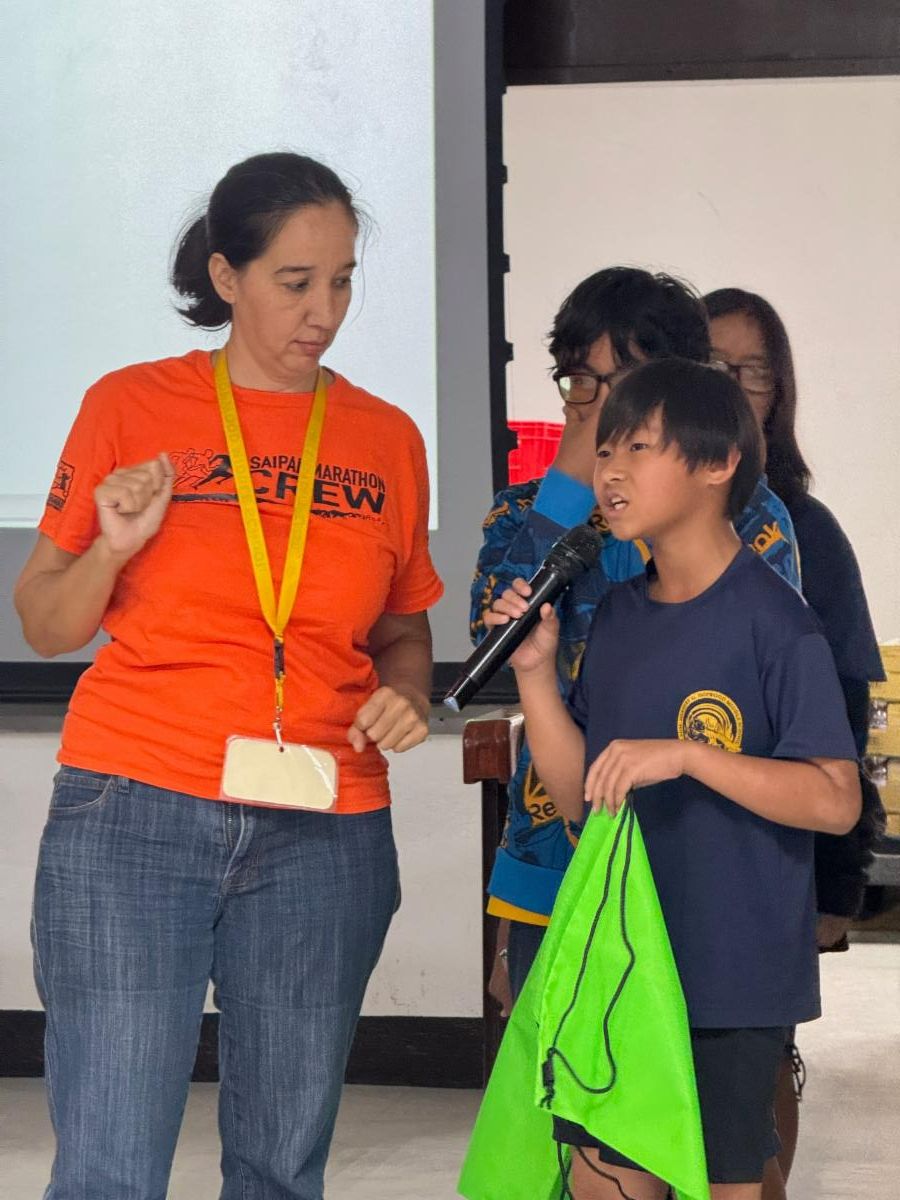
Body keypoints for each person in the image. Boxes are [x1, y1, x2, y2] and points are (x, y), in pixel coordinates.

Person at [15, 152, 443, 1200]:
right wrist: (112, 547)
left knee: (281, 1165)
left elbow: (401, 632)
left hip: (323, 825)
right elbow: (42, 621)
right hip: (134, 810)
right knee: (112, 1160)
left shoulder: (387, 438)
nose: (324, 311)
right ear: (226, 276)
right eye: (296, 282)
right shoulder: (131, 406)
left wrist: (410, 689)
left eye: (341, 280)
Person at [487, 358, 861, 1200]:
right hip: (622, 967)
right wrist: (540, 679)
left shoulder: (778, 623)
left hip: (734, 977)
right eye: (605, 449)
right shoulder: (618, 618)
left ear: (718, 462)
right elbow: (583, 797)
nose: (610, 471)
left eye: (639, 448)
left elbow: (834, 800)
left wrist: (690, 755)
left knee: (726, 1181)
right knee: (603, 1177)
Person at [471, 268, 800, 1010]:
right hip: (554, 858)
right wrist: (564, 482)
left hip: (700, 870)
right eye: (582, 381)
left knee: (693, 1109)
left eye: (626, 380)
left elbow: (750, 674)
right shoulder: (525, 510)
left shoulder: (748, 513)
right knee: (565, 1109)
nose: (602, 407)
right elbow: (491, 639)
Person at [705, 286, 885, 1195]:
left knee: (758, 1077)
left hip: (773, 865)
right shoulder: (633, 526)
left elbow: (845, 716)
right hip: (659, 866)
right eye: (712, 369)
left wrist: (838, 877)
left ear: (781, 394)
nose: (733, 388)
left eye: (755, 372)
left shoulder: (806, 533)